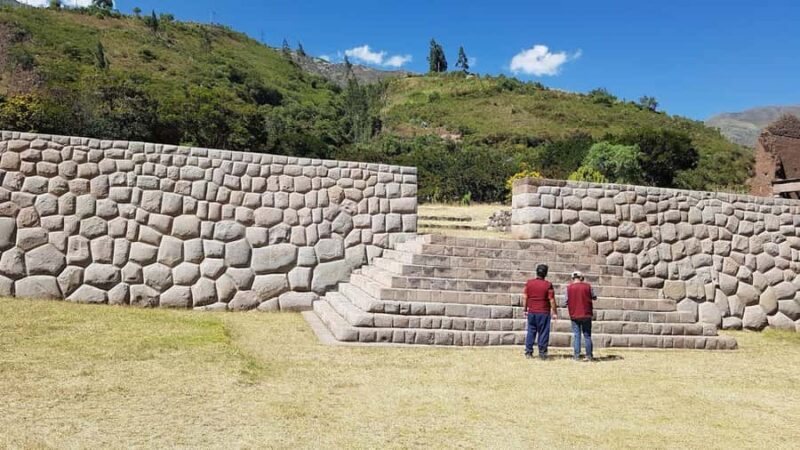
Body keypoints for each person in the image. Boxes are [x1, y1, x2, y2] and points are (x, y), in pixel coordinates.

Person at [523, 264, 557, 360]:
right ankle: (542, 353)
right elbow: (551, 299)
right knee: (543, 333)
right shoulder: (548, 285)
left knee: (531, 331)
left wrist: (525, 309)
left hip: (532, 311)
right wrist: (554, 312)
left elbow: (525, 297)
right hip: (543, 312)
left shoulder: (529, 283)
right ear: (545, 273)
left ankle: (528, 352)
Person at [565, 271, 597, 361]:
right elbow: (594, 296)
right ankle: (589, 355)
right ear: (581, 278)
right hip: (586, 314)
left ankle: (576, 355)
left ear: (572, 278)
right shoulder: (588, 286)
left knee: (577, 335)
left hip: (574, 314)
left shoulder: (568, 288)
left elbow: (566, 301)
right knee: (587, 335)